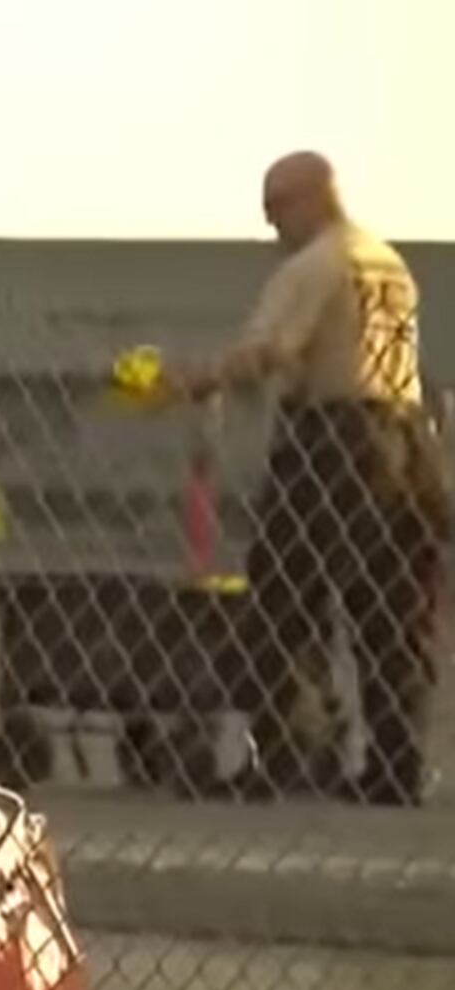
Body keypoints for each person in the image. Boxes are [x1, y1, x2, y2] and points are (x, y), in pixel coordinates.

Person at [152, 153, 446, 806]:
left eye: (275, 207)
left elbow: (271, 351)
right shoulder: (387, 262)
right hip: (403, 435)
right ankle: (396, 768)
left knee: (283, 602)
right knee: (391, 613)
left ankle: (281, 756)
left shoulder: (314, 265)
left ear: (309, 197)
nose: (271, 225)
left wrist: (198, 379)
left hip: (335, 438)